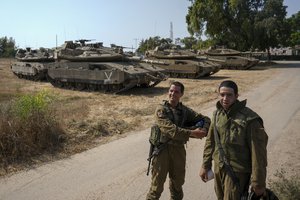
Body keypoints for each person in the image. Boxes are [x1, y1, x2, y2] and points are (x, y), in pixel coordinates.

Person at [199, 80, 268, 200]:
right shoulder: (217, 115)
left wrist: (258, 182)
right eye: (222, 95)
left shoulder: (250, 119)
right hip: (219, 169)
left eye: (229, 95)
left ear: (236, 96)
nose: (225, 98)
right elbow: (210, 142)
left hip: (237, 173)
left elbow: (258, 154)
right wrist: (205, 165)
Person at [146, 81, 211, 200]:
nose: (172, 94)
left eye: (176, 92)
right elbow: (171, 130)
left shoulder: (184, 111)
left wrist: (204, 130)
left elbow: (205, 119)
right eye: (171, 91)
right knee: (156, 187)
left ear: (181, 94)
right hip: (162, 151)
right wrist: (193, 133)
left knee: (177, 184)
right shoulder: (161, 110)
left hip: (178, 151)